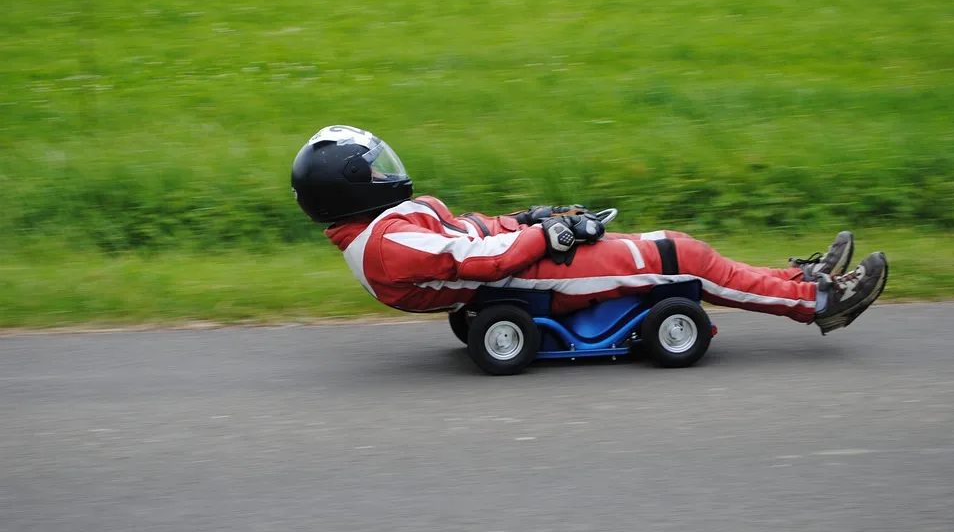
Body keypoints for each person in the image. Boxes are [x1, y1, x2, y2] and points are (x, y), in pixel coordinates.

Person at [290, 125, 888, 334]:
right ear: (352, 189)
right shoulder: (391, 245)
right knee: (684, 256)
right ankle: (817, 301)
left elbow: (474, 233)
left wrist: (531, 219)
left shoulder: (387, 228)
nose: (388, 173)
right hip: (528, 281)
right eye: (374, 170)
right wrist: (550, 238)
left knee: (679, 251)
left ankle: (793, 279)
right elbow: (480, 262)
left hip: (527, 265)